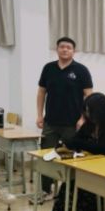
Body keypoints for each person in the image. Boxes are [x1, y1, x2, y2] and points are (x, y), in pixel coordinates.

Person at [42, 93, 105, 211]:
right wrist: (67, 143)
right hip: (91, 168)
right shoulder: (89, 125)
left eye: (90, 111)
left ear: (99, 111)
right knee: (66, 187)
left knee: (82, 191)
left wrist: (79, 143)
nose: (88, 114)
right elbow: (76, 139)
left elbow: (100, 148)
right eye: (86, 111)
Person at [37, 36, 93, 200]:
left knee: (71, 157)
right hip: (50, 122)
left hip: (72, 123)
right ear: (57, 49)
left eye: (68, 47)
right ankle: (46, 190)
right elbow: (41, 92)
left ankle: (69, 191)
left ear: (74, 51)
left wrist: (83, 118)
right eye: (62, 47)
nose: (65, 49)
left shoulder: (81, 70)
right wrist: (39, 115)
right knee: (46, 155)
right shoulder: (48, 68)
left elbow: (90, 96)